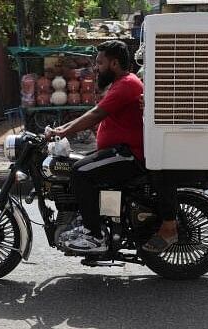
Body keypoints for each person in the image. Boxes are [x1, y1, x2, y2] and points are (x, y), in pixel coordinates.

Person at [47, 40, 179, 253]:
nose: (96, 68)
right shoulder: (121, 83)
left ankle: (94, 235)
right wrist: (61, 128)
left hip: (128, 155)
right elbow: (98, 113)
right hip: (119, 152)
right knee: (79, 164)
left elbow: (96, 114)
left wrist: (62, 132)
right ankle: (90, 221)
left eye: (100, 63)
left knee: (80, 172)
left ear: (114, 63)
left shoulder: (127, 84)